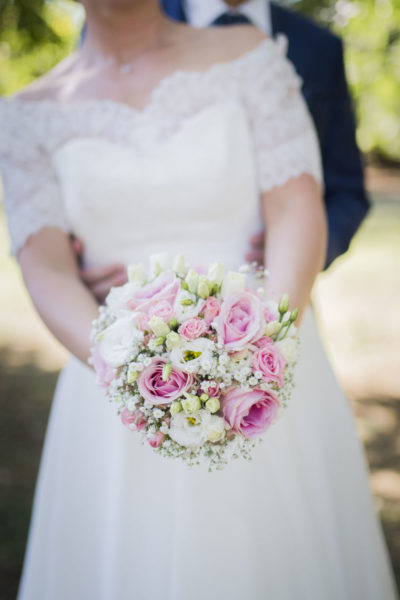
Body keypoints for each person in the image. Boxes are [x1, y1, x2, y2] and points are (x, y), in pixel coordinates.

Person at [0, 1, 398, 598]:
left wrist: (262, 343)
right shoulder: (28, 114)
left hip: (266, 353)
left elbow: (295, 207)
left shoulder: (251, 59)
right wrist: (129, 367)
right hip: (114, 379)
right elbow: (47, 268)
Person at [75, 0, 370, 302]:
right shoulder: (120, 14)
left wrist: (293, 253)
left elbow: (346, 188)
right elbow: (87, 147)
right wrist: (77, 257)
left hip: (274, 297)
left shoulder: (318, 46)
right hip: (129, 307)